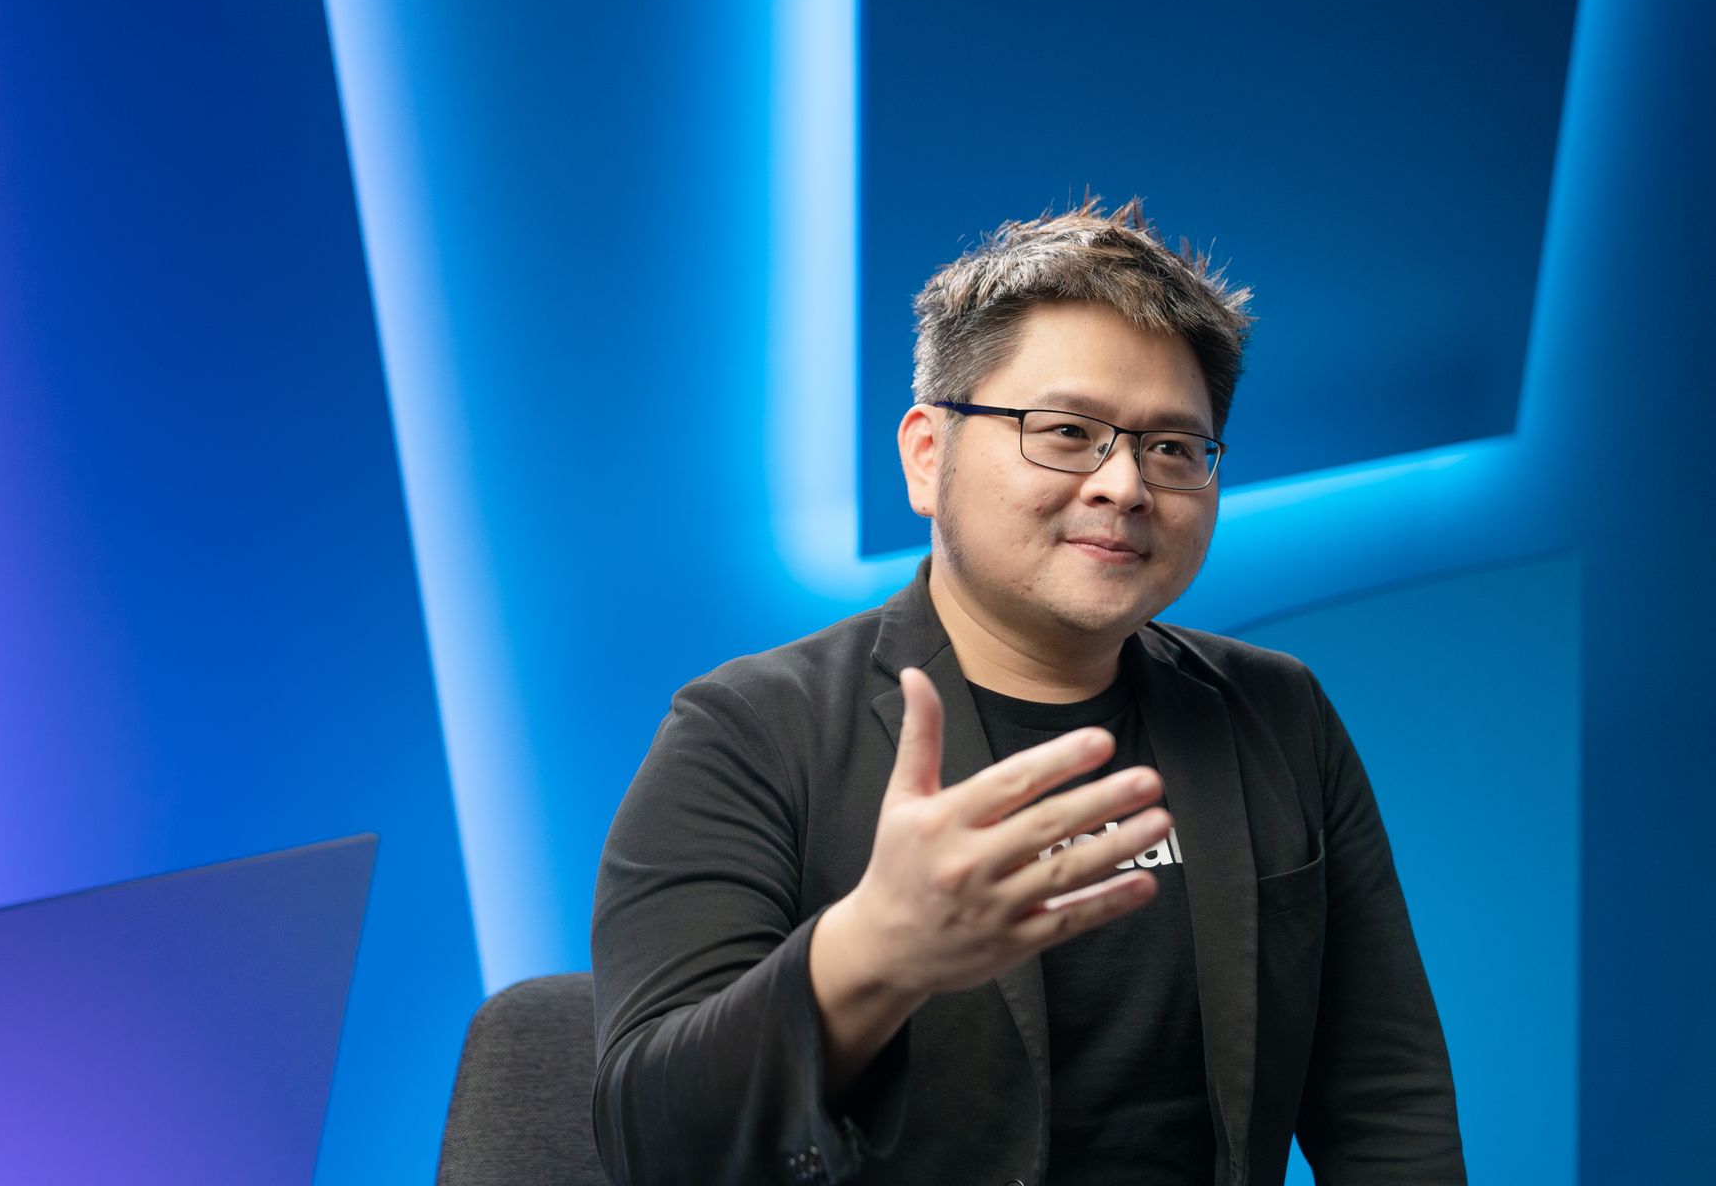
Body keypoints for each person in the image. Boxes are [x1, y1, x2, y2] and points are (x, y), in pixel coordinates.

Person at [589, 200, 1464, 1185]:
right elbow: (648, 1143)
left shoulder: (1278, 714)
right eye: (1067, 430)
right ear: (928, 454)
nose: (1126, 484)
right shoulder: (749, 731)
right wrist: (867, 953)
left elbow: (1388, 1108)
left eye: (1174, 447)